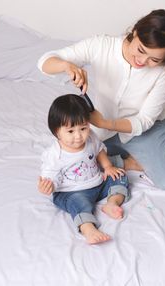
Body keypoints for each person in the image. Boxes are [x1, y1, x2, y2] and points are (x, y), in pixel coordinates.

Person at [37, 9, 165, 190]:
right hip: (102, 129)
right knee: (79, 170)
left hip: (143, 130)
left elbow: (144, 120)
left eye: (154, 59)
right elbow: (45, 62)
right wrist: (67, 66)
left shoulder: (164, 73)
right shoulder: (102, 46)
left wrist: (105, 123)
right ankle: (130, 162)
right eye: (140, 50)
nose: (142, 61)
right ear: (135, 32)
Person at [38, 94, 129, 244]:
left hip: (97, 183)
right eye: (71, 131)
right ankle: (89, 229)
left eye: (83, 128)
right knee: (79, 204)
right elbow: (49, 178)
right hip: (71, 191)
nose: (79, 136)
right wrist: (47, 186)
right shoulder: (54, 155)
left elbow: (99, 151)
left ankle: (112, 203)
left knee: (119, 175)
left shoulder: (91, 137)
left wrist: (107, 167)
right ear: (56, 132)